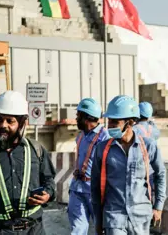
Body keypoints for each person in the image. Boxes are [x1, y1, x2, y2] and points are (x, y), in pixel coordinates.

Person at [0, 90, 56, 235]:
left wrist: (47, 194)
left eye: (10, 121)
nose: (3, 125)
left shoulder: (37, 151)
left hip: (33, 230)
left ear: (22, 123)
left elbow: (48, 181)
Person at [91, 95, 166, 235]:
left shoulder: (148, 146)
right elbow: (95, 187)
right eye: (109, 121)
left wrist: (158, 207)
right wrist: (98, 221)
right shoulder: (102, 149)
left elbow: (160, 174)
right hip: (114, 218)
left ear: (130, 122)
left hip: (141, 218)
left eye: (115, 122)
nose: (110, 126)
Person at [68, 98, 110, 235]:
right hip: (77, 189)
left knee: (102, 230)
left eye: (78, 115)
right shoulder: (80, 136)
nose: (76, 118)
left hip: (96, 192)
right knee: (77, 229)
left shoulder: (105, 137)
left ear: (86, 118)